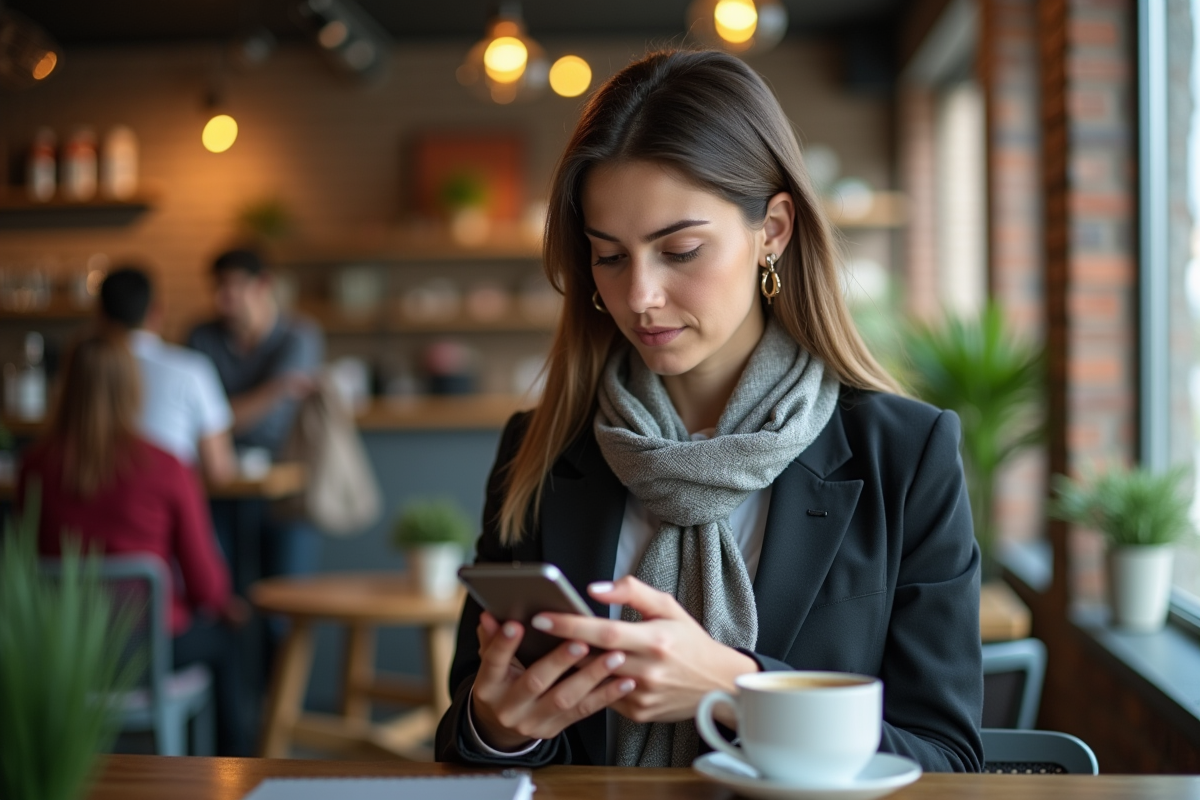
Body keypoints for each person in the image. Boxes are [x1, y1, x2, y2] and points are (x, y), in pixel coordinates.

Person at [435, 50, 983, 772]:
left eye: (680, 250)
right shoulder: (538, 450)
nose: (639, 297)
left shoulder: (906, 457)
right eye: (608, 256)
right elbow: (463, 741)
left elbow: (949, 763)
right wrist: (499, 728)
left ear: (775, 230)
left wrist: (740, 688)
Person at [19, 333, 250, 756]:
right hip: (148, 649)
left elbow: (25, 561)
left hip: (63, 648)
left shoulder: (34, 466)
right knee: (228, 639)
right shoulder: (166, 466)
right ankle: (236, 772)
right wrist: (224, 605)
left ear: (65, 387)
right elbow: (204, 585)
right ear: (132, 388)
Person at [187, 248, 324, 581]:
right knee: (222, 590)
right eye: (217, 288)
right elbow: (198, 418)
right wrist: (275, 389)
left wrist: (220, 413)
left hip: (285, 485)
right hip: (218, 484)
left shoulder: (299, 336)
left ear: (263, 285)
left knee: (286, 593)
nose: (222, 299)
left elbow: (214, 419)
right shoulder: (201, 337)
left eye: (231, 288)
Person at [98, 266, 237, 485]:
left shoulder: (85, 372)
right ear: (156, 312)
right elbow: (218, 468)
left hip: (94, 506)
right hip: (167, 509)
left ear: (100, 317)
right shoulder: (192, 369)